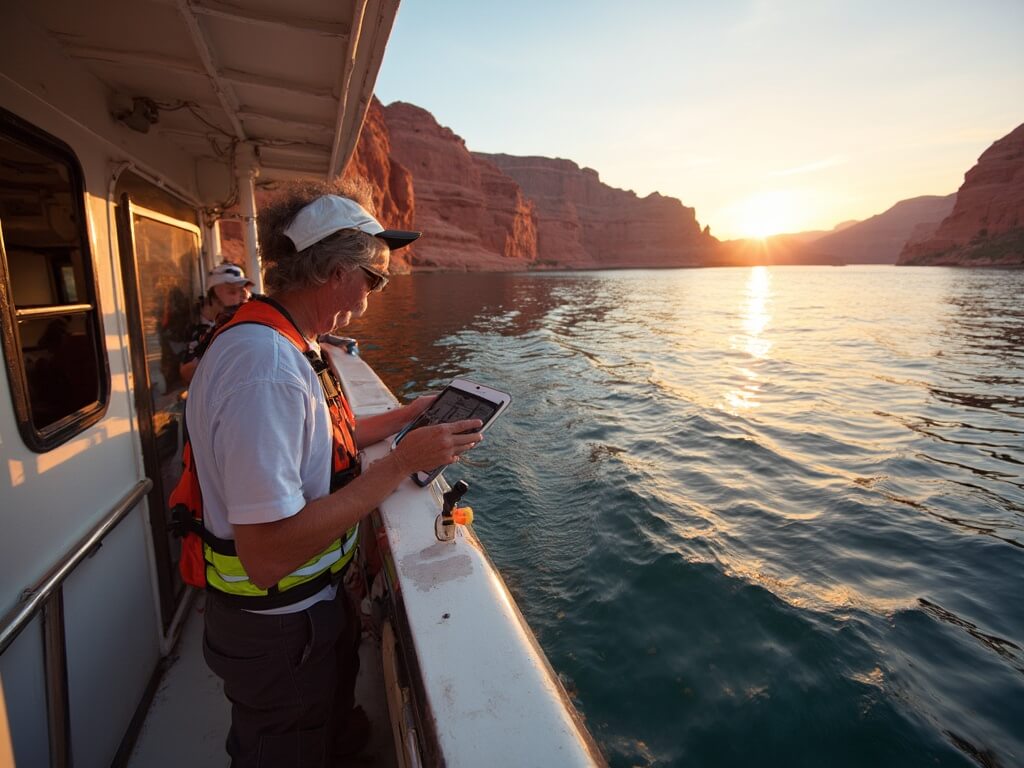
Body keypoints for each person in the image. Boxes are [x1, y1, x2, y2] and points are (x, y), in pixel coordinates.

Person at [185, 178, 482, 767]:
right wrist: (402, 463)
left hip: (304, 613)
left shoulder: (289, 339)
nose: (373, 296)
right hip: (281, 629)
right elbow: (266, 554)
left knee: (330, 732)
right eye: (373, 278)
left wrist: (407, 417)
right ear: (332, 272)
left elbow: (324, 441)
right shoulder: (266, 369)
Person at [179, 262, 254, 384]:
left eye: (243, 291)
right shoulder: (191, 326)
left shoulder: (241, 322)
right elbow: (187, 372)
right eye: (232, 292)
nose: (242, 297)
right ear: (213, 295)